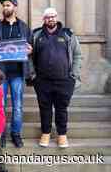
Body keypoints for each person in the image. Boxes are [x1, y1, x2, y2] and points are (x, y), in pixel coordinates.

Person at [32, 8, 82, 148]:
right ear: (44, 19)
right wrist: (33, 75)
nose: (51, 19)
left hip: (64, 80)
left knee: (61, 108)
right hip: (42, 80)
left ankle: (62, 135)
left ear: (57, 17)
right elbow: (29, 56)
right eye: (48, 17)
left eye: (53, 16)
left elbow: (77, 54)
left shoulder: (67, 34)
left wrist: (74, 74)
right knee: (45, 108)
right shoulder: (36, 35)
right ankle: (46, 133)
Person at [0, 0, 33, 148]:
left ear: (15, 6)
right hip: (0, 74)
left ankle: (16, 134)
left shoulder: (24, 27)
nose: (5, 8)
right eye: (3, 6)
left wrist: (30, 50)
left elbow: (30, 47)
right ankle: (1, 134)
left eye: (8, 5)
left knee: (18, 105)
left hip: (17, 73)